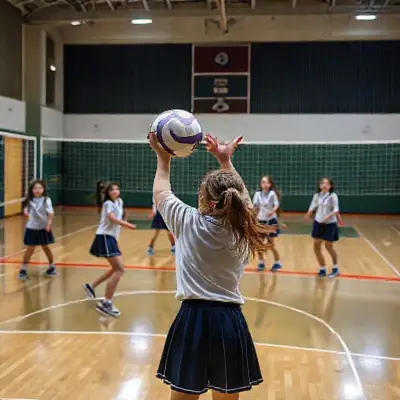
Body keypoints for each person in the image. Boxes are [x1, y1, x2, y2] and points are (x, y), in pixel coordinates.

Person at [149, 132, 272, 399]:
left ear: (207, 200)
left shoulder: (187, 221)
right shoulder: (244, 229)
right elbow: (245, 200)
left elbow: (161, 191)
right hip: (229, 321)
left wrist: (164, 158)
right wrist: (225, 160)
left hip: (193, 319)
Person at [83, 182, 136, 317]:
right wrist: (127, 224)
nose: (115, 191)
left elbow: (119, 216)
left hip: (111, 238)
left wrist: (125, 219)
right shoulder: (108, 204)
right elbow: (112, 218)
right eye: (112, 189)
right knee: (119, 269)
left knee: (115, 268)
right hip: (104, 237)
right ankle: (106, 303)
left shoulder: (119, 202)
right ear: (107, 193)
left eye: (117, 189)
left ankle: (91, 285)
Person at [18, 180, 56, 280]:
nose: (37, 190)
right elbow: (26, 209)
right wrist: (25, 212)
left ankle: (52, 266)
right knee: (30, 248)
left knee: (45, 247)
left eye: (40, 188)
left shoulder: (46, 200)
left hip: (43, 228)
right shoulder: (29, 200)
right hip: (32, 228)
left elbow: (50, 214)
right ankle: (23, 269)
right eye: (35, 188)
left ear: (43, 190)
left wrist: (48, 224)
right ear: (32, 190)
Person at [304, 177, 341, 278]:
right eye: (323, 183)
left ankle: (335, 268)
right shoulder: (317, 195)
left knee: (329, 247)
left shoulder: (333, 196)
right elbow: (313, 205)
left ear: (330, 186)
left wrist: (328, 216)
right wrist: (308, 213)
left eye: (327, 184)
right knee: (316, 246)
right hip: (318, 223)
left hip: (330, 224)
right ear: (320, 186)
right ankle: (322, 268)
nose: (324, 185)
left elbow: (336, 209)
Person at [252, 175, 282, 272]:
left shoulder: (272, 194)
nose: (264, 184)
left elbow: (277, 204)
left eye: (266, 182)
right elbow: (254, 206)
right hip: (260, 221)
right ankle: (261, 263)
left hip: (270, 221)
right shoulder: (257, 194)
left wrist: (272, 211)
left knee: (270, 244)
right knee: (259, 244)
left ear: (270, 184)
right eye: (262, 182)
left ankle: (277, 262)